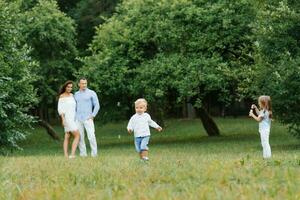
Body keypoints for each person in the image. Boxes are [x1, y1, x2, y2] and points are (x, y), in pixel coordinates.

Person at [74, 78, 100, 157]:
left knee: (91, 136)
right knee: (80, 137)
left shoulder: (92, 93)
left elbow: (97, 105)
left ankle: (94, 154)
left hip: (88, 118)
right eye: (82, 83)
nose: (84, 85)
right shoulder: (76, 94)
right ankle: (83, 154)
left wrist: (93, 115)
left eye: (85, 83)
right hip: (78, 119)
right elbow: (74, 107)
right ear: (79, 84)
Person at [57, 81, 80, 159]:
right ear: (65, 87)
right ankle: (72, 154)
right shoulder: (62, 96)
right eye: (68, 87)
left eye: (71, 87)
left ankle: (66, 156)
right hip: (68, 118)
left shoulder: (72, 95)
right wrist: (63, 119)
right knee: (77, 135)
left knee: (67, 136)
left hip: (73, 118)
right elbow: (60, 109)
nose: (69, 88)